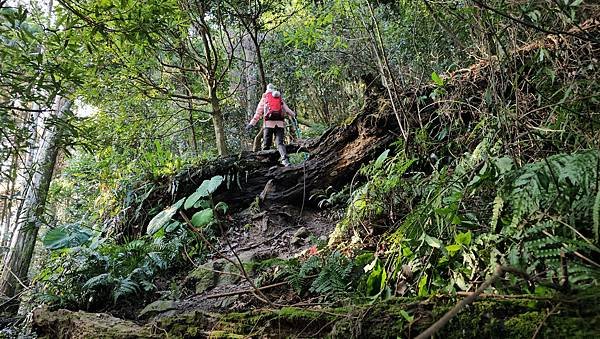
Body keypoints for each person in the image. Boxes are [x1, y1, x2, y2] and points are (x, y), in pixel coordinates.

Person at [246, 83, 296, 167]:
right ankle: (285, 161)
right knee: (280, 143)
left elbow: (258, 113)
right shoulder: (279, 98)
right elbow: (287, 110)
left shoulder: (265, 98)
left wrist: (251, 124)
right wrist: (293, 115)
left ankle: (266, 163)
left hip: (268, 124)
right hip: (280, 124)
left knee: (266, 145)